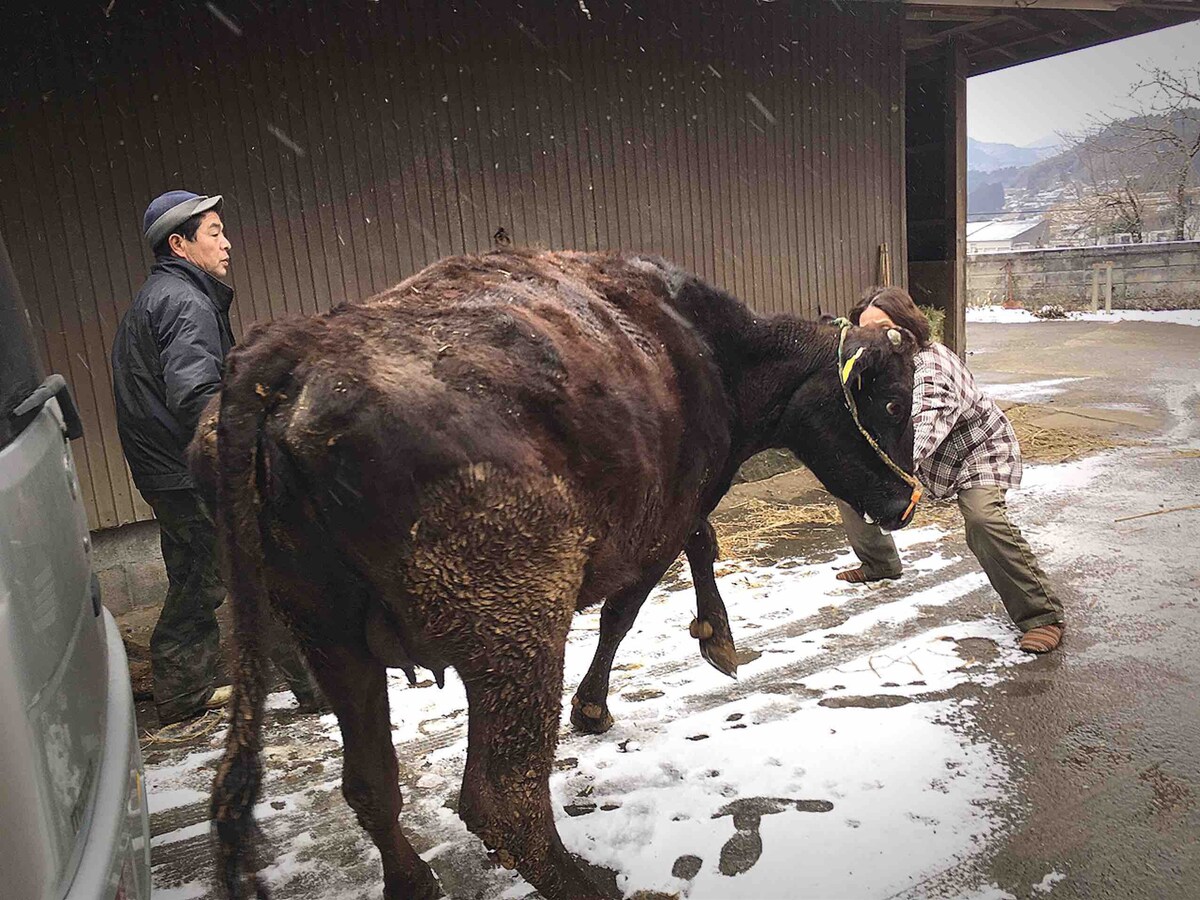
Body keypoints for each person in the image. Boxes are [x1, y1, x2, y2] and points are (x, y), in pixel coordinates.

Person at [111, 191, 325, 723]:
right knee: (260, 576)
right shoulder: (185, 302)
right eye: (214, 232)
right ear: (179, 244)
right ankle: (322, 684)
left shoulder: (158, 296)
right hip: (189, 471)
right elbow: (196, 395)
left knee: (195, 578)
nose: (226, 243)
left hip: (165, 472)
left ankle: (181, 693)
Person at [834, 286, 1065, 654]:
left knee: (983, 519)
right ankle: (879, 563)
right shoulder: (873, 366)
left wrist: (873, 465)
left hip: (976, 452)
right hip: (923, 459)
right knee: (847, 484)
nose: (873, 338)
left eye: (883, 327)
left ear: (906, 327)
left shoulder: (932, 365)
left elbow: (921, 431)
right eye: (865, 330)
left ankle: (1041, 615)